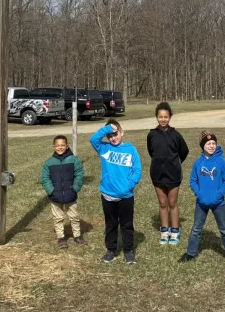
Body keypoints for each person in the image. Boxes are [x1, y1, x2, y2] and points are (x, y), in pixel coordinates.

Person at [90, 119, 142, 264]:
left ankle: (129, 250)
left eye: (115, 134)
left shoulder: (131, 149)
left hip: (126, 195)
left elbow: (137, 170)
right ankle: (111, 249)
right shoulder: (104, 148)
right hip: (107, 194)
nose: (113, 138)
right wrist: (106, 129)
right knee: (111, 224)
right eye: (110, 136)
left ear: (122, 132)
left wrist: (129, 184)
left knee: (126, 224)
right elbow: (93, 139)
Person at [180, 131, 225, 263]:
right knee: (196, 229)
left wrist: (218, 195)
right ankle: (190, 253)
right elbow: (193, 181)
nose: (211, 146)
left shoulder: (221, 161)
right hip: (202, 203)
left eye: (214, 143)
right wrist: (199, 194)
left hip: (218, 203)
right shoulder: (198, 163)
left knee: (224, 229)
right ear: (202, 146)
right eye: (208, 144)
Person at [147, 102, 189, 245]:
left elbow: (184, 152)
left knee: (172, 203)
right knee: (162, 203)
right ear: (157, 117)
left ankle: (175, 230)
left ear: (170, 117)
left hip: (173, 175)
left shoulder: (176, 135)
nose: (163, 119)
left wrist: (174, 164)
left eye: (166, 117)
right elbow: (151, 152)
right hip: (157, 174)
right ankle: (165, 231)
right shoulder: (152, 135)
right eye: (160, 117)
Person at [40, 134, 85, 248]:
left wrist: (75, 188)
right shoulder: (49, 163)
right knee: (58, 218)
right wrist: (51, 190)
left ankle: (77, 235)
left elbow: (79, 174)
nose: (60, 147)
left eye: (62, 145)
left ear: (67, 146)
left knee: (74, 217)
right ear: (53, 147)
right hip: (55, 196)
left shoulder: (74, 160)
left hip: (70, 194)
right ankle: (61, 237)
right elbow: (45, 178)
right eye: (57, 145)